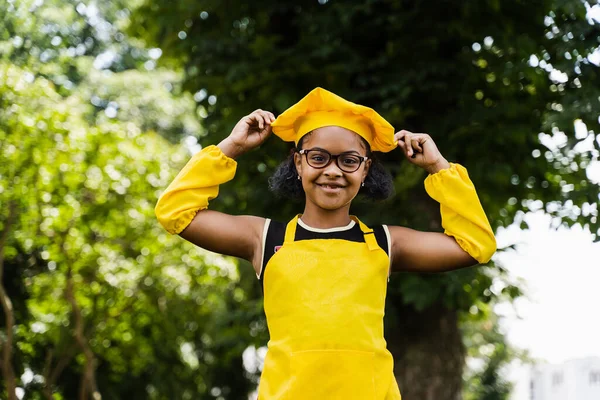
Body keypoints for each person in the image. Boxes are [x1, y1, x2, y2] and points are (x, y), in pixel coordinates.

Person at [155, 87, 496, 399]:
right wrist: (233, 146)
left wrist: (438, 166)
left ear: (365, 170)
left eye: (349, 160)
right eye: (319, 157)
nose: (333, 171)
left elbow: (475, 244)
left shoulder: (386, 242)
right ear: (298, 162)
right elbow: (176, 211)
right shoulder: (264, 238)